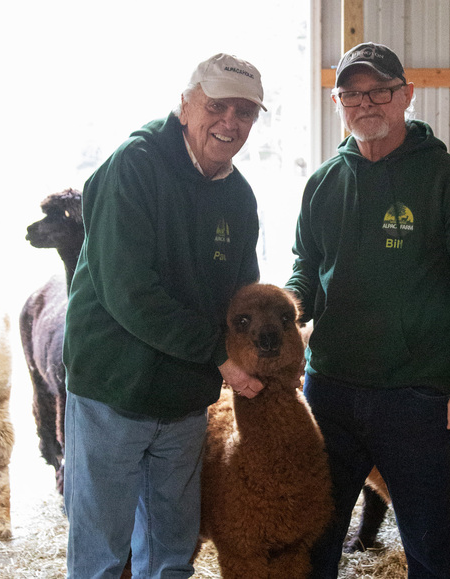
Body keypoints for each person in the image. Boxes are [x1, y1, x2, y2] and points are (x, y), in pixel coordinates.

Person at [285, 42, 450, 578]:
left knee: (431, 546)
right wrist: (283, 316)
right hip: (330, 390)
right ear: (338, 102)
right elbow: (307, 269)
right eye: (351, 94)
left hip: (416, 395)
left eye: (379, 91)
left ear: (406, 95)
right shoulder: (323, 184)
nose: (366, 104)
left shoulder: (448, 180)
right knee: (314, 541)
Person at [62, 53, 266, 578]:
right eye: (217, 106)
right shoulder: (134, 166)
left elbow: (242, 297)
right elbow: (131, 293)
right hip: (115, 389)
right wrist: (220, 355)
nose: (229, 123)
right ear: (185, 105)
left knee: (173, 552)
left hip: (182, 402)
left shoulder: (239, 199)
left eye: (244, 112)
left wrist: (260, 348)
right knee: (103, 554)